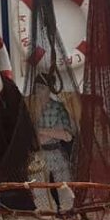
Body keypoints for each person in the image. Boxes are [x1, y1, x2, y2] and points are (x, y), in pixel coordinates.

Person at [31, 74, 75, 211]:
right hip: (38, 154)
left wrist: (43, 131)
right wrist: (50, 132)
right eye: (37, 87)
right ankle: (46, 211)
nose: (39, 91)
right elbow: (29, 135)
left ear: (50, 89)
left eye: (43, 88)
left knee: (64, 184)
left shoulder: (57, 108)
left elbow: (67, 135)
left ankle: (67, 210)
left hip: (55, 151)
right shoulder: (30, 108)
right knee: (38, 185)